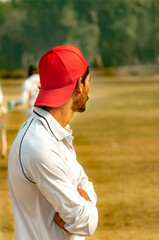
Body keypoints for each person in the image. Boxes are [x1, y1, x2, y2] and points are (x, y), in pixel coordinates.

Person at [8, 45, 98, 240]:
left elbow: (85, 184)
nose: (89, 88)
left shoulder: (54, 131)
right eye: (88, 81)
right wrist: (88, 210)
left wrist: (85, 202)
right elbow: (85, 222)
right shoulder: (41, 145)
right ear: (79, 85)